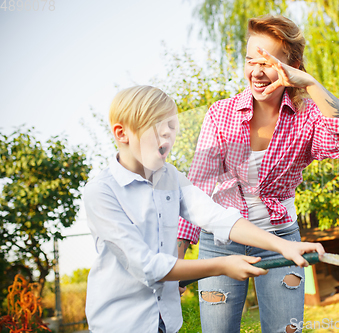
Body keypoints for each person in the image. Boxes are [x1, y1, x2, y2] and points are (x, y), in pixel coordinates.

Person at [177, 15, 339, 332]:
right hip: (220, 242)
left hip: (281, 238)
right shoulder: (221, 114)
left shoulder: (306, 117)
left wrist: (309, 84)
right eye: (251, 60)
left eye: (268, 62)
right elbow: (197, 189)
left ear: (291, 66)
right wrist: (178, 259)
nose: (257, 70)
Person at [83, 85, 325, 333]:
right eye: (157, 127)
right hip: (121, 324)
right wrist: (222, 265)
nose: (167, 136)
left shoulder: (170, 177)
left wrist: (284, 246)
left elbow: (215, 216)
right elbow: (147, 266)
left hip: (166, 321)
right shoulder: (101, 192)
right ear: (122, 133)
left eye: (172, 128)